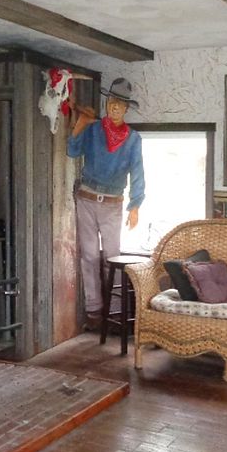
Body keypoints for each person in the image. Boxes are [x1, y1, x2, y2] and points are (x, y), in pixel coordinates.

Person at [67, 78, 145, 331]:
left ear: (126, 109)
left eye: (120, 104)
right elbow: (72, 151)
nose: (115, 107)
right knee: (89, 256)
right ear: (107, 103)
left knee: (113, 257)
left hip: (113, 204)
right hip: (87, 198)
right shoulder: (93, 130)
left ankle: (116, 312)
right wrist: (80, 124)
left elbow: (138, 172)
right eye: (112, 102)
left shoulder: (133, 139)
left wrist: (135, 205)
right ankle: (94, 310)